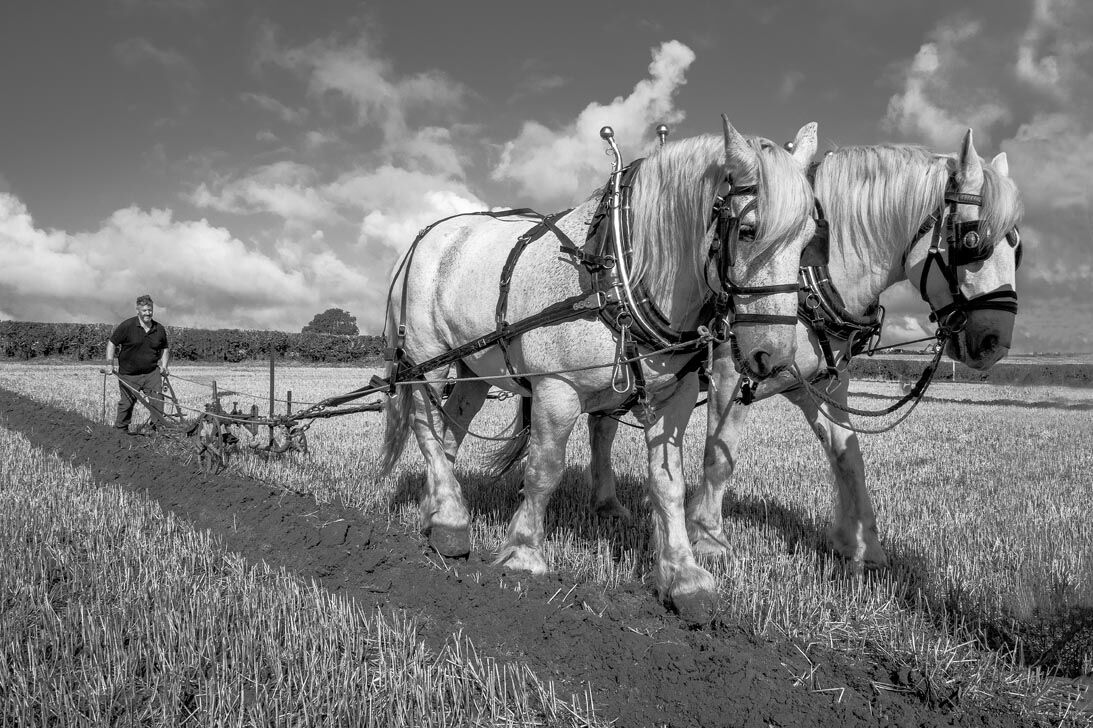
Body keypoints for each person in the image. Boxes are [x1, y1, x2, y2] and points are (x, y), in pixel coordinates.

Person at [106, 294, 170, 433]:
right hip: (129, 374)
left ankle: (156, 429)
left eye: (150, 310)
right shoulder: (127, 326)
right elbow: (112, 343)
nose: (148, 313)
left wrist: (164, 366)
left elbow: (164, 348)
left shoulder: (159, 329)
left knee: (157, 400)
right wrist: (109, 363)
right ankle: (120, 430)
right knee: (127, 404)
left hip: (151, 373)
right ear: (138, 310)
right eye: (145, 310)